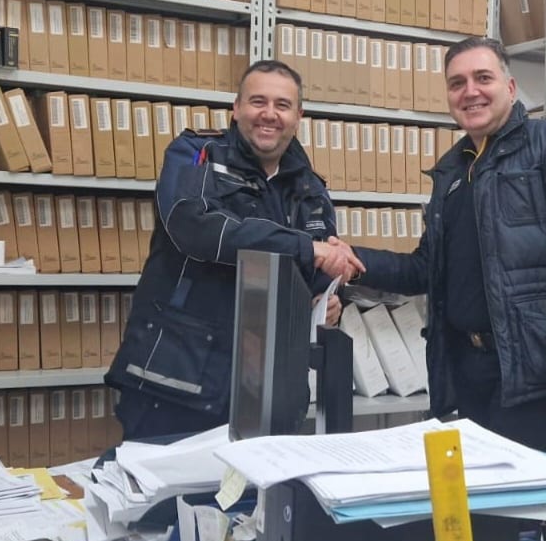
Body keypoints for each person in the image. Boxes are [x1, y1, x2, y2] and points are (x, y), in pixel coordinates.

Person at [339, 36, 546, 454]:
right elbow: (427, 268)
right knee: (474, 488)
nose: (470, 91)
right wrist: (354, 259)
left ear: (510, 87)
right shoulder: (454, 171)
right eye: (457, 83)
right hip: (468, 368)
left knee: (509, 490)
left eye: (482, 78)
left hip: (533, 368)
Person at [105, 60, 363, 440]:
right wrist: (306, 247)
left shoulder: (311, 189)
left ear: (298, 116)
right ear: (236, 108)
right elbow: (195, 226)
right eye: (258, 101)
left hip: (269, 391)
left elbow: (313, 271)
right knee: (159, 480)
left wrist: (324, 302)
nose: (269, 114)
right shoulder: (197, 153)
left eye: (282, 105)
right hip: (178, 384)